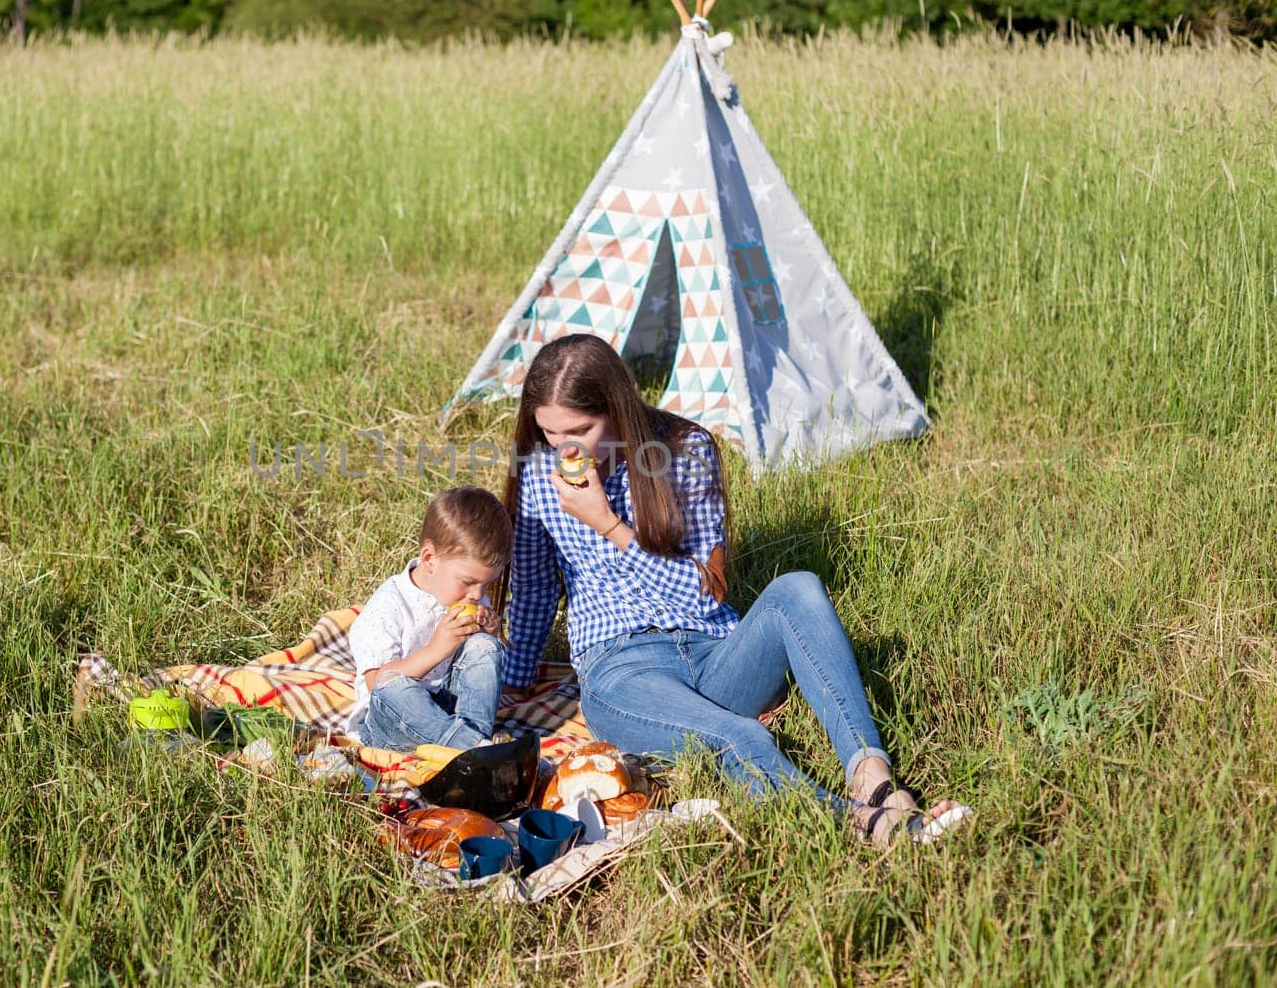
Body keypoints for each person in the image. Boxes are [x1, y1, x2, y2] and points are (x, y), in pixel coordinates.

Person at [496, 334, 969, 844]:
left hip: (715, 650)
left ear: (616, 410)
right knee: (743, 736)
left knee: (800, 588)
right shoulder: (539, 477)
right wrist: (511, 684)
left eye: (580, 430)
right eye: (550, 433)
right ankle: (862, 826)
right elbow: (535, 593)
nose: (564, 448)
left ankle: (876, 782)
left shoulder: (683, 451)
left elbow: (705, 596)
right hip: (622, 668)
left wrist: (610, 526)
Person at [348, 486, 510, 752]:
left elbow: (473, 668)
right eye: (469, 582)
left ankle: (469, 743)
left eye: (487, 584)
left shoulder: (470, 597)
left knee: (485, 647)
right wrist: (437, 649)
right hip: (391, 723)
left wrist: (489, 634)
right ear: (429, 559)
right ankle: (476, 749)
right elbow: (376, 683)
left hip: (450, 712)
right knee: (392, 685)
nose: (477, 594)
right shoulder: (389, 605)